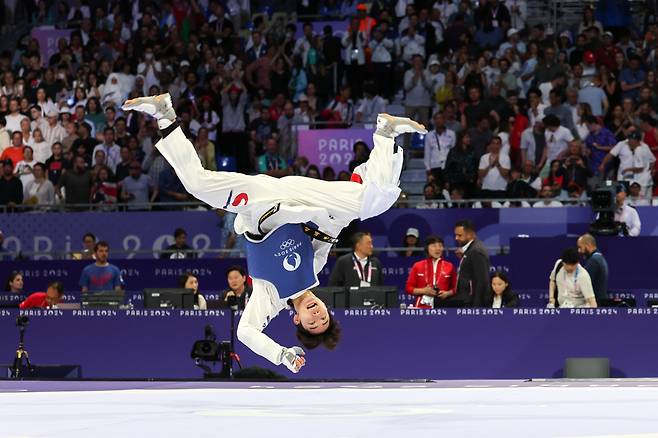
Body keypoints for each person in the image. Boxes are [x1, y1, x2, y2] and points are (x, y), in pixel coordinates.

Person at [122, 93, 425, 373]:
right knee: (374, 204)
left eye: (313, 323)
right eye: (323, 316)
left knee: (198, 185)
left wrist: (281, 355)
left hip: (263, 203)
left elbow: (245, 333)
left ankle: (164, 114)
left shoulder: (270, 298)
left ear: (298, 321)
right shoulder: (315, 270)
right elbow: (329, 230)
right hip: (305, 199)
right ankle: (384, 136)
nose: (317, 315)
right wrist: (340, 211)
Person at [599, 130, 655, 198]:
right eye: (629, 139)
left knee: (641, 199)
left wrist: (650, 171)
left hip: (640, 179)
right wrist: (603, 164)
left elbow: (651, 160)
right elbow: (611, 154)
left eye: (632, 140)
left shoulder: (644, 147)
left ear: (637, 141)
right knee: (623, 198)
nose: (629, 142)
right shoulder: (621, 144)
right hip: (624, 178)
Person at [405, 235, 457, 308]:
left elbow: (456, 288)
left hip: (443, 307)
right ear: (427, 248)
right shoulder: (418, 265)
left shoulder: (449, 266)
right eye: (434, 246)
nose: (437, 249)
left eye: (440, 246)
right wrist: (423, 291)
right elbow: (408, 288)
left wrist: (447, 293)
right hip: (421, 307)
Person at [454, 220, 491, 307]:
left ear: (470, 234)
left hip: (472, 302)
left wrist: (476, 306)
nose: (456, 238)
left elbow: (482, 281)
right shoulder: (470, 250)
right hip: (466, 300)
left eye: (459, 235)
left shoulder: (476, 251)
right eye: (455, 235)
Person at [577, 234, 609, 303]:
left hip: (595, 305)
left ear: (588, 245)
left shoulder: (594, 260)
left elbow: (583, 284)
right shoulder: (599, 257)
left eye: (580, 247)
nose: (579, 251)